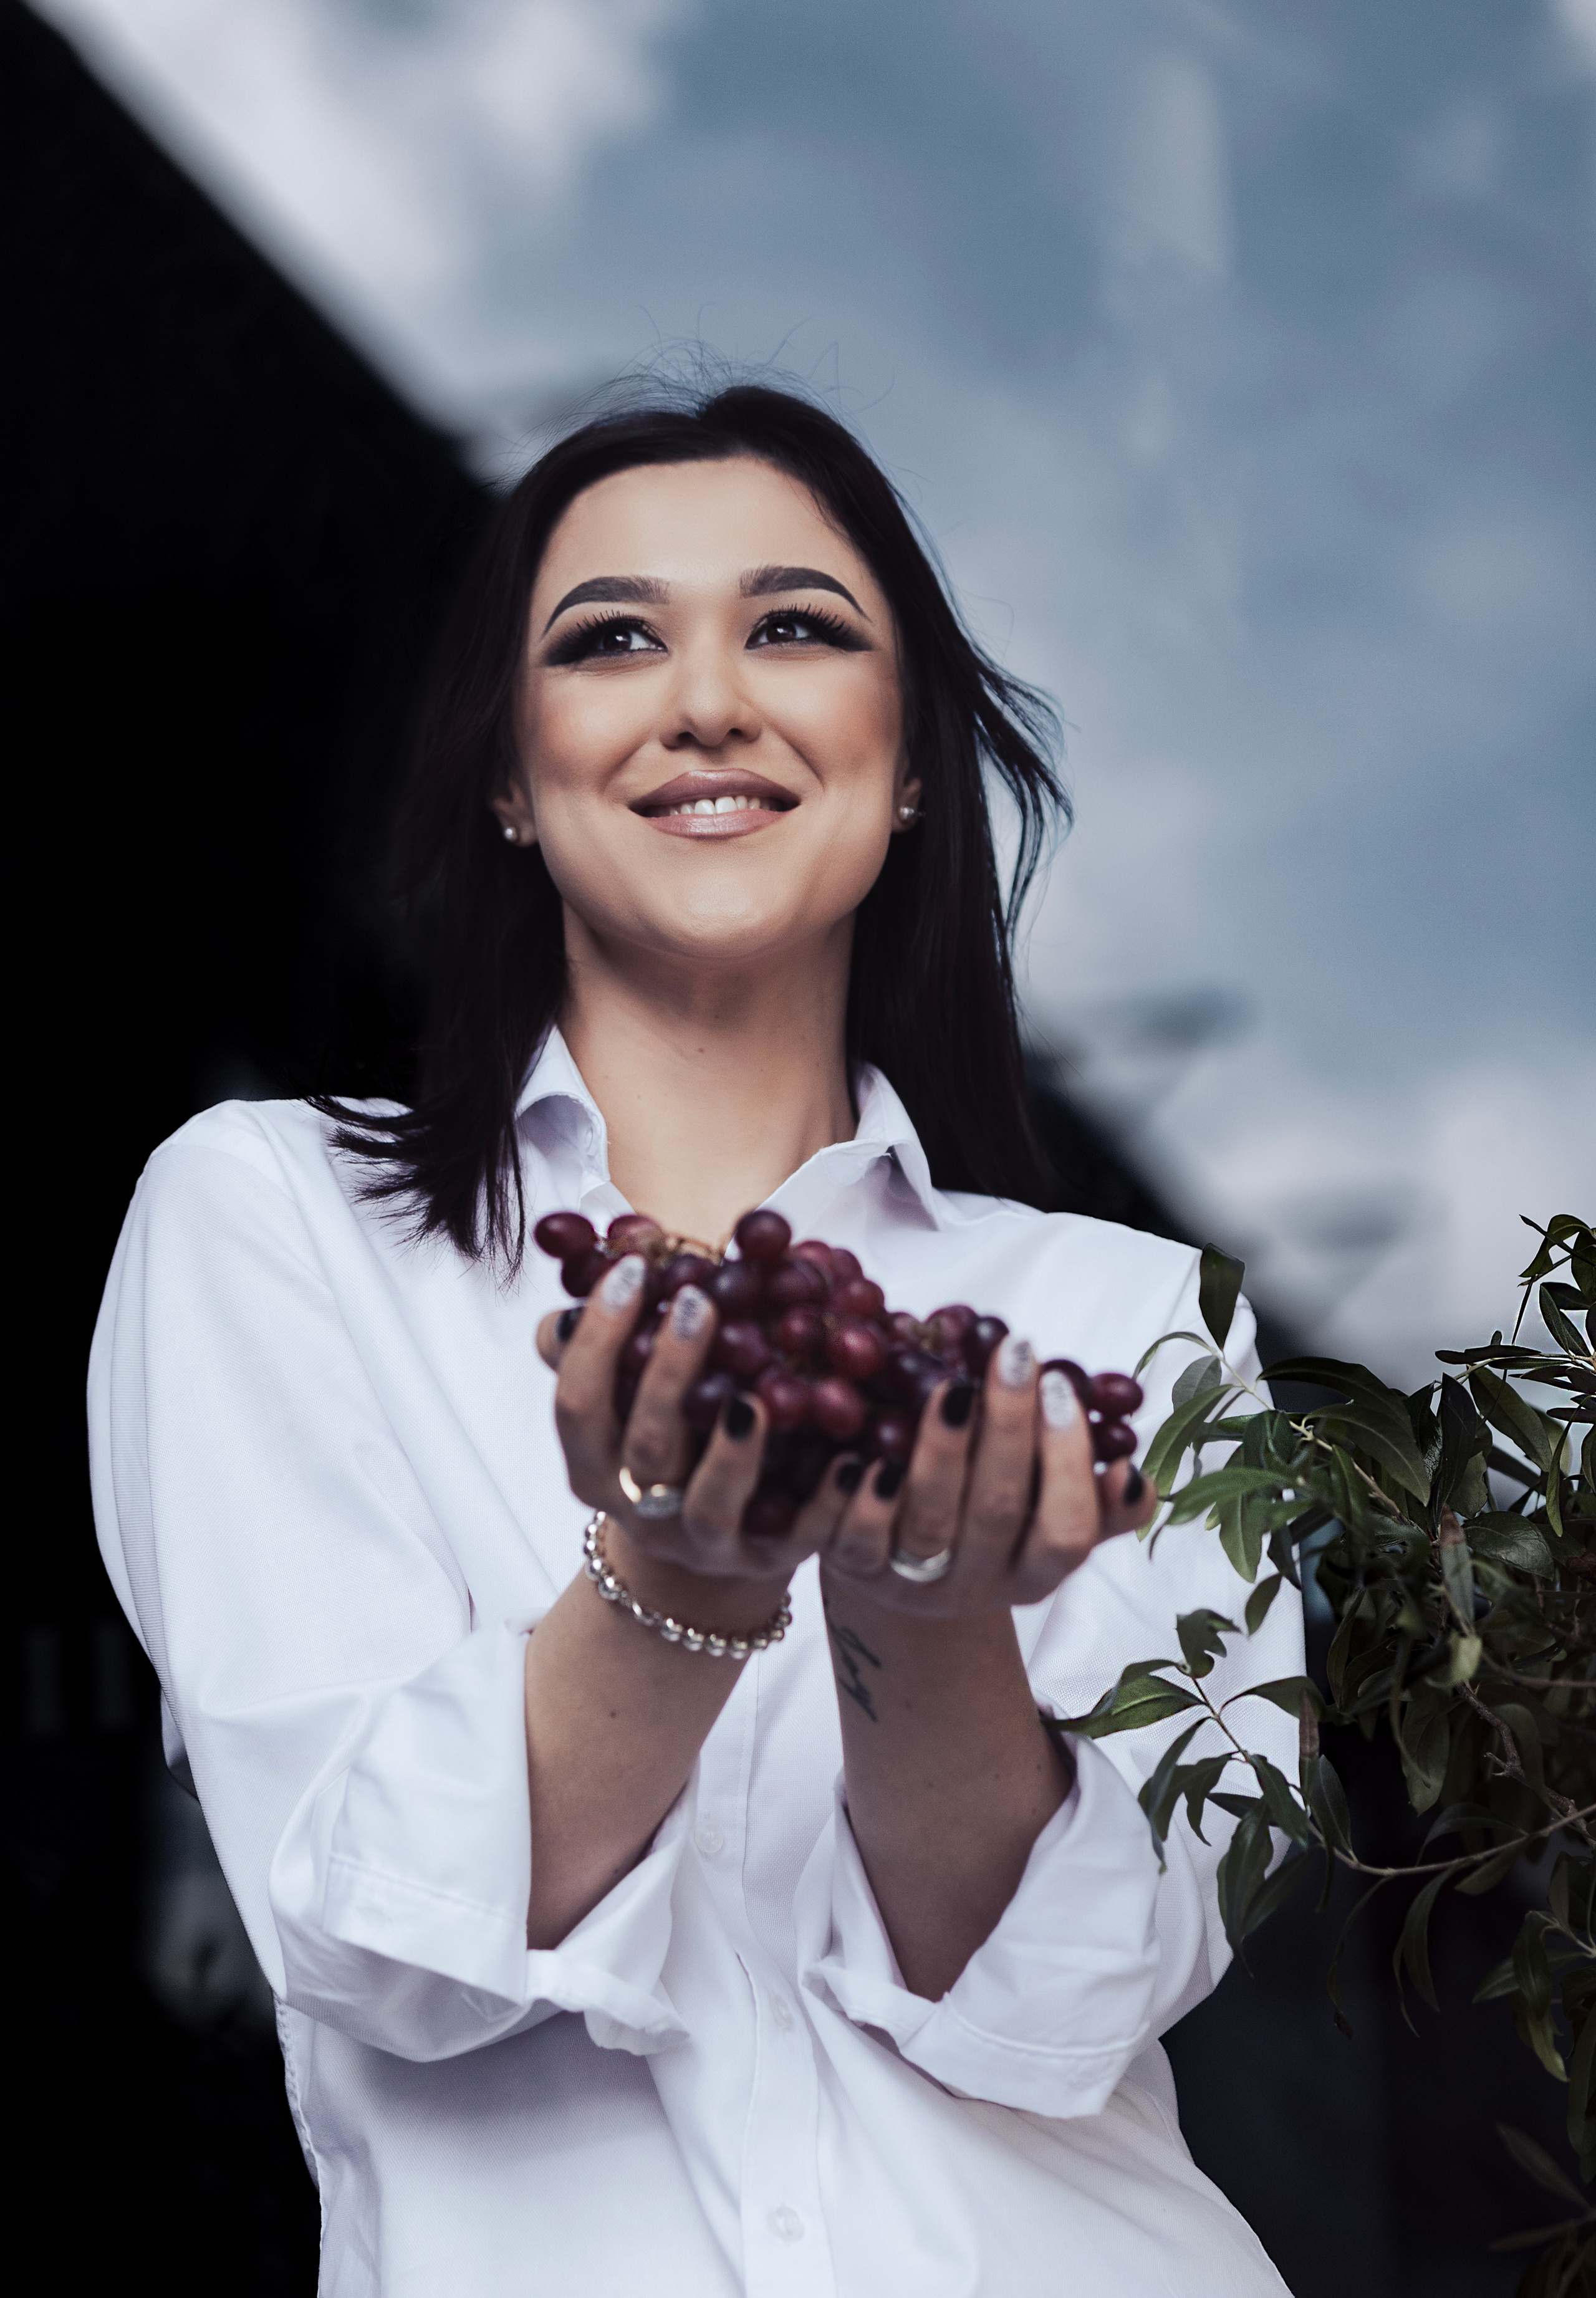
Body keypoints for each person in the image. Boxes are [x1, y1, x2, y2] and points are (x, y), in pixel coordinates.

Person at [89, 381, 1299, 2296]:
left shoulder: (1132, 1322)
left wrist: (922, 1605)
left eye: (797, 628)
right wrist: (680, 1577)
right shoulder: (277, 1225)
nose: (711, 699)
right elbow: (379, 1941)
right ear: (510, 768)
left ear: (907, 764)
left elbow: (1075, 2003)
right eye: (612, 638)